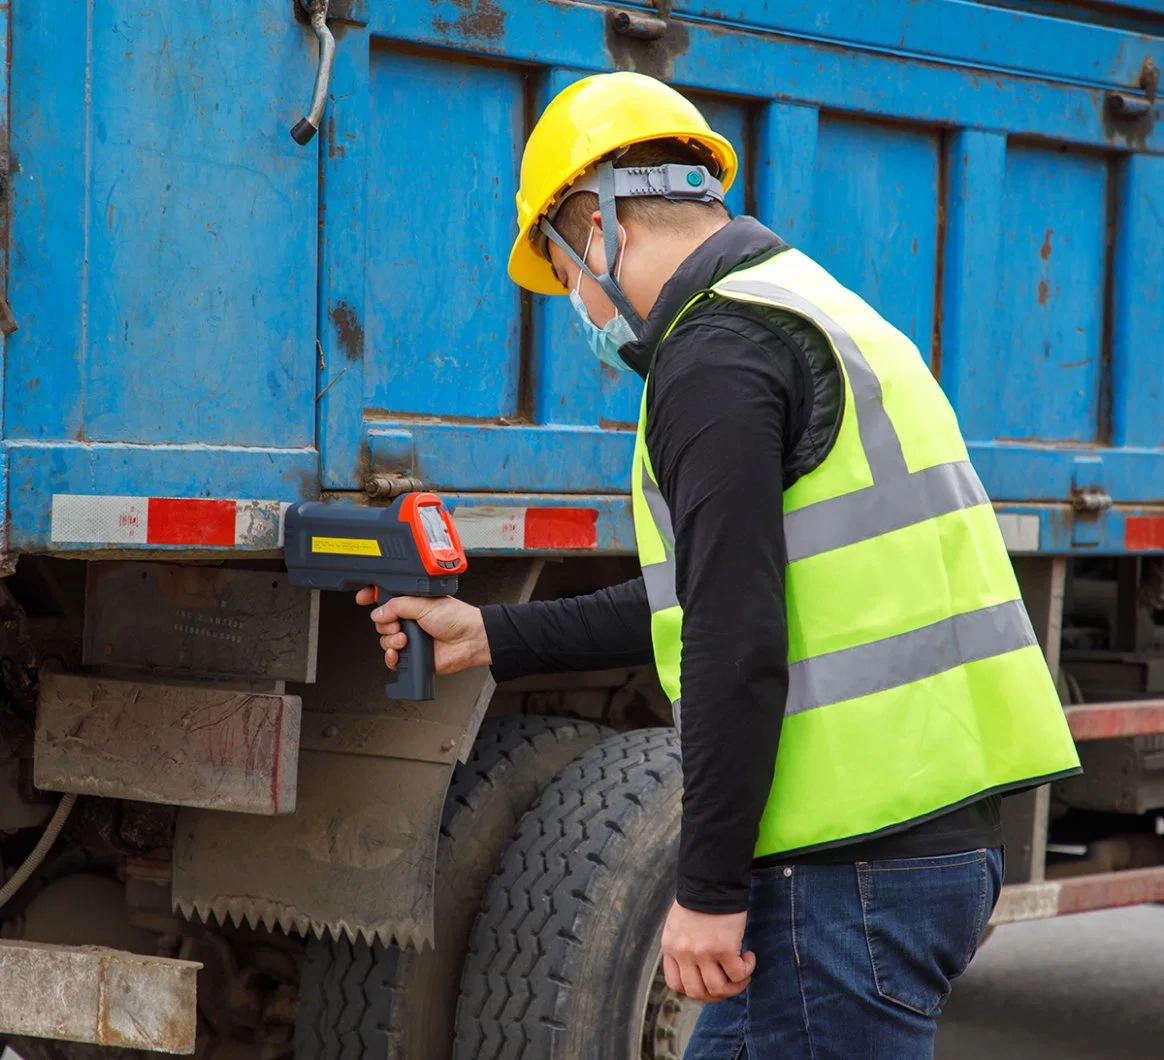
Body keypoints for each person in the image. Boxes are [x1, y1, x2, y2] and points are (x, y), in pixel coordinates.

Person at [357, 72, 1082, 1058]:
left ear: (600, 221)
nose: (578, 300)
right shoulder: (815, 312)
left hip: (840, 872)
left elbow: (735, 638)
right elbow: (706, 596)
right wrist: (490, 633)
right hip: (906, 849)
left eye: (565, 267)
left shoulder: (714, 355)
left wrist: (706, 890)